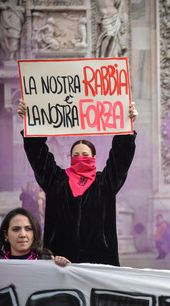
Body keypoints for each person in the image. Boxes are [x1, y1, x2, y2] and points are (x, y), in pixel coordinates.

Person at [17, 99, 138, 266]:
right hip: (60, 261)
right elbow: (38, 156)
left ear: (94, 158)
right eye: (76, 154)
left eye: (85, 154)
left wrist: (127, 126)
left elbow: (121, 158)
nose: (80, 158)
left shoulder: (105, 182)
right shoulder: (56, 180)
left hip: (100, 262)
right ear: (70, 158)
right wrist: (31, 121)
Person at [0, 208, 69, 266]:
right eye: (16, 229)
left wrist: (66, 269)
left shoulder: (50, 263)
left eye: (28, 229)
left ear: (34, 233)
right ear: (6, 235)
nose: (23, 234)